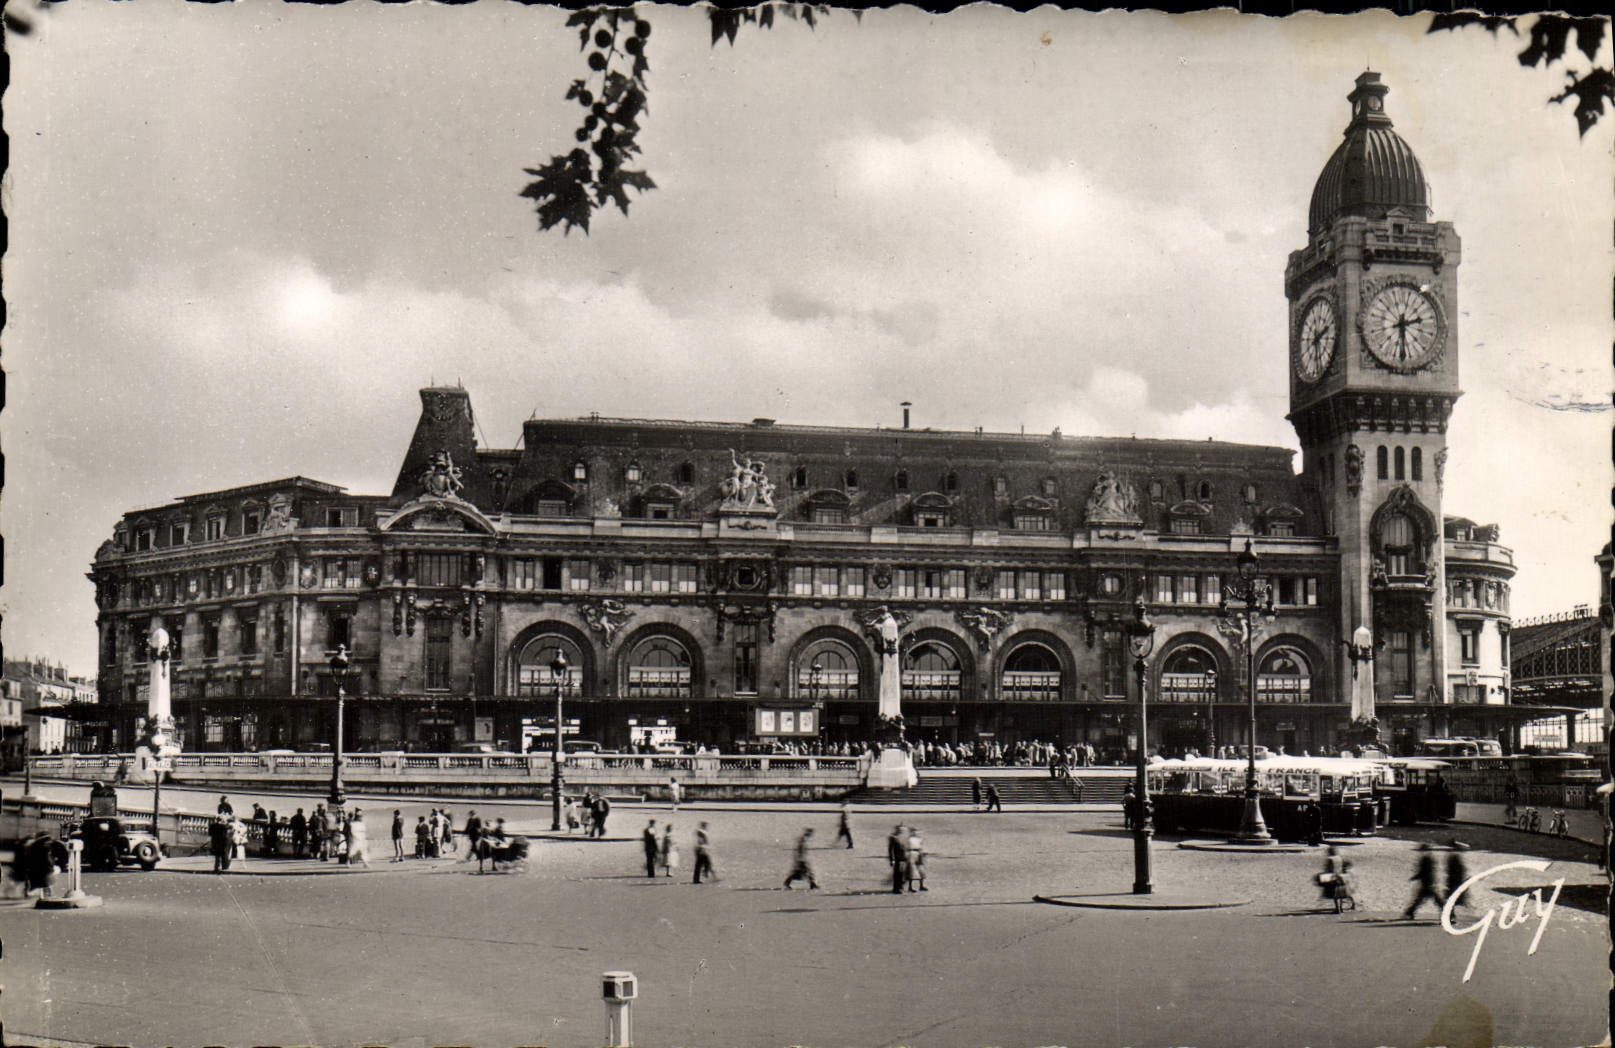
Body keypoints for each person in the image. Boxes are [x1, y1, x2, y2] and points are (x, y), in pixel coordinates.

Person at [1402, 842, 1443, 920]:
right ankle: (1409, 913)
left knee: (1420, 900)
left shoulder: (1426, 859)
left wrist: (1416, 877)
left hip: (1427, 884)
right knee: (1434, 900)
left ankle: (1409, 913)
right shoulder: (1429, 859)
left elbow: (1425, 872)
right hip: (1429, 883)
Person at [1317, 845, 1353, 913]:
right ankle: (1341, 908)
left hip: (1333, 877)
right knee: (1340, 893)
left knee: (1335, 894)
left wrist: (1324, 877)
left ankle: (1337, 909)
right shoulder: (1339, 858)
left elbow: (1328, 869)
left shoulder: (1330, 859)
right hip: (1340, 876)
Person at [1445, 840, 1470, 913]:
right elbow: (1458, 870)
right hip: (1455, 881)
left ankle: (1450, 914)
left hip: (1453, 881)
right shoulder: (1455, 857)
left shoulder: (1452, 856)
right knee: (1452, 898)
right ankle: (1450, 915)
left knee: (1451, 898)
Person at [887, 824, 908, 895]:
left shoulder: (904, 837)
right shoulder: (893, 837)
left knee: (903, 873)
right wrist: (891, 859)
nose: (902, 831)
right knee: (898, 874)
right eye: (900, 829)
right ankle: (896, 888)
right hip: (897, 858)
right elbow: (890, 850)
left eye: (903, 829)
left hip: (904, 858)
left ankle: (901, 886)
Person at [905, 826, 927, 892]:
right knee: (911, 870)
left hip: (918, 852)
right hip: (911, 852)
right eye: (913, 831)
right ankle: (910, 886)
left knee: (921, 869)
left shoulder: (919, 839)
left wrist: (922, 854)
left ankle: (921, 885)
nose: (914, 833)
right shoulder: (908, 839)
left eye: (915, 831)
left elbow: (921, 847)